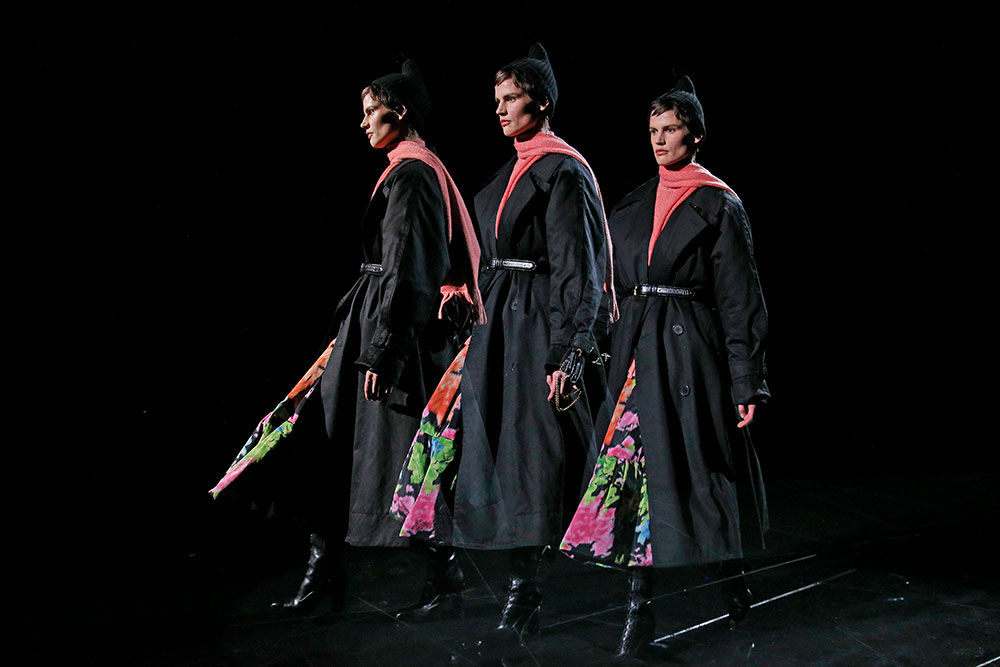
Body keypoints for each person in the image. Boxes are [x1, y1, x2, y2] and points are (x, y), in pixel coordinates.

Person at [211, 59, 483, 613]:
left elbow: (410, 263)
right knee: (329, 445)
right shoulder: (407, 169)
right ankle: (324, 571)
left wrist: (385, 350)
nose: (362, 123)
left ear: (399, 112)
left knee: (401, 456)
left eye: (370, 111)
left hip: (389, 329)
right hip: (371, 321)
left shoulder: (413, 173)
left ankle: (445, 576)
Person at [391, 43, 614, 634]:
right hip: (496, 325)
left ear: (542, 103)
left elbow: (578, 267)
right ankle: (447, 580)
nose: (500, 109)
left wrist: (567, 350)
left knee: (528, 459)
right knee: (459, 448)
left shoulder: (563, 170)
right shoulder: (506, 173)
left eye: (512, 98)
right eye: (497, 99)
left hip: (535, 325)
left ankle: (524, 591)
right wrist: (462, 286)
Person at [559, 76, 770, 658]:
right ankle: (638, 611)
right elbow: (606, 285)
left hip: (688, 355)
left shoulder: (719, 203)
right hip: (635, 352)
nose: (658, 139)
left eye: (670, 129)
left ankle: (730, 576)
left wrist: (746, 379)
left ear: (695, 135)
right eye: (652, 130)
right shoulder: (631, 203)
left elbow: (740, 298)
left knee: (699, 473)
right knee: (631, 478)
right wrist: (583, 349)